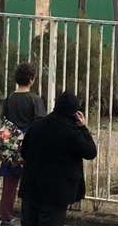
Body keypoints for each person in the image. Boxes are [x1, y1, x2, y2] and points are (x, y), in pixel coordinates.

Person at [16, 91, 96, 226]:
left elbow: (24, 152)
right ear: (75, 112)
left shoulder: (36, 126)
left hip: (31, 188)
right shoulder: (72, 132)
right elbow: (90, 152)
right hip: (56, 194)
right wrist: (83, 128)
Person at [0, 62, 45, 226]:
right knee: (30, 185)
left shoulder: (9, 99)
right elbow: (40, 124)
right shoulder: (35, 100)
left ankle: (5, 218)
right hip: (29, 149)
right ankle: (28, 217)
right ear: (32, 79)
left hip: (10, 148)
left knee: (9, 185)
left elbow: (3, 121)